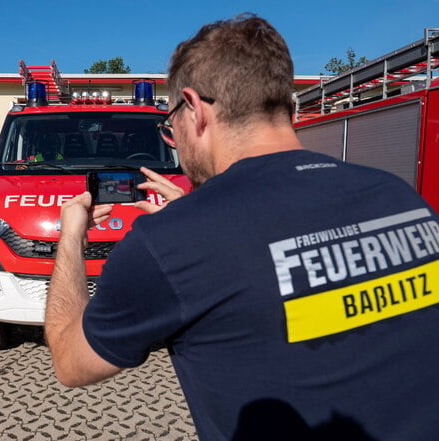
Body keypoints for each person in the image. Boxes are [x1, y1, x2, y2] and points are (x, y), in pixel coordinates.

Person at [45, 15, 439, 441]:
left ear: (194, 109)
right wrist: (197, 221)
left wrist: (70, 238)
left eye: (169, 127)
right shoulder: (400, 197)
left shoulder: (168, 244)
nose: (172, 141)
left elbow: (70, 360)